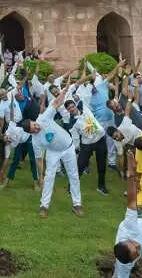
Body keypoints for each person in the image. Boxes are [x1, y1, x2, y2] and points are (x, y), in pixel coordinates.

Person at [22, 86, 83, 218]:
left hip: (68, 147)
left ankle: (77, 205)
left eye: (34, 125)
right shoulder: (35, 141)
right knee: (49, 178)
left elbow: (56, 103)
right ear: (31, 133)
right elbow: (39, 159)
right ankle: (44, 206)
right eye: (33, 130)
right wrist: (40, 177)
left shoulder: (43, 118)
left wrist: (64, 91)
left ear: (34, 121)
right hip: (53, 153)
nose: (36, 128)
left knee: (73, 176)